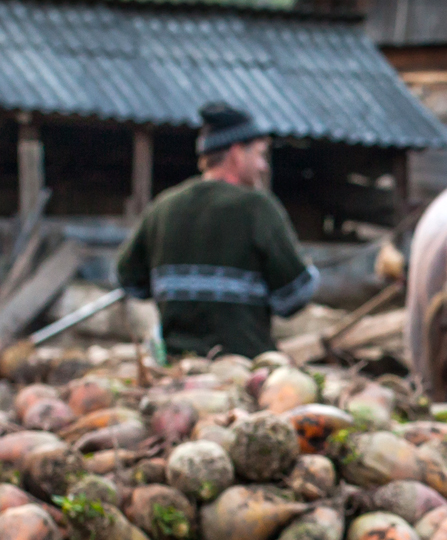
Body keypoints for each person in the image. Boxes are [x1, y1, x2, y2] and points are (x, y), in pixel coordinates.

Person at [116, 102, 319, 358]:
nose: (262, 166)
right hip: (244, 366)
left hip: (178, 363)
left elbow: (129, 279)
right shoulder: (256, 208)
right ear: (236, 153)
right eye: (259, 154)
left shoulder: (163, 207)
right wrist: (308, 271)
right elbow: (294, 297)